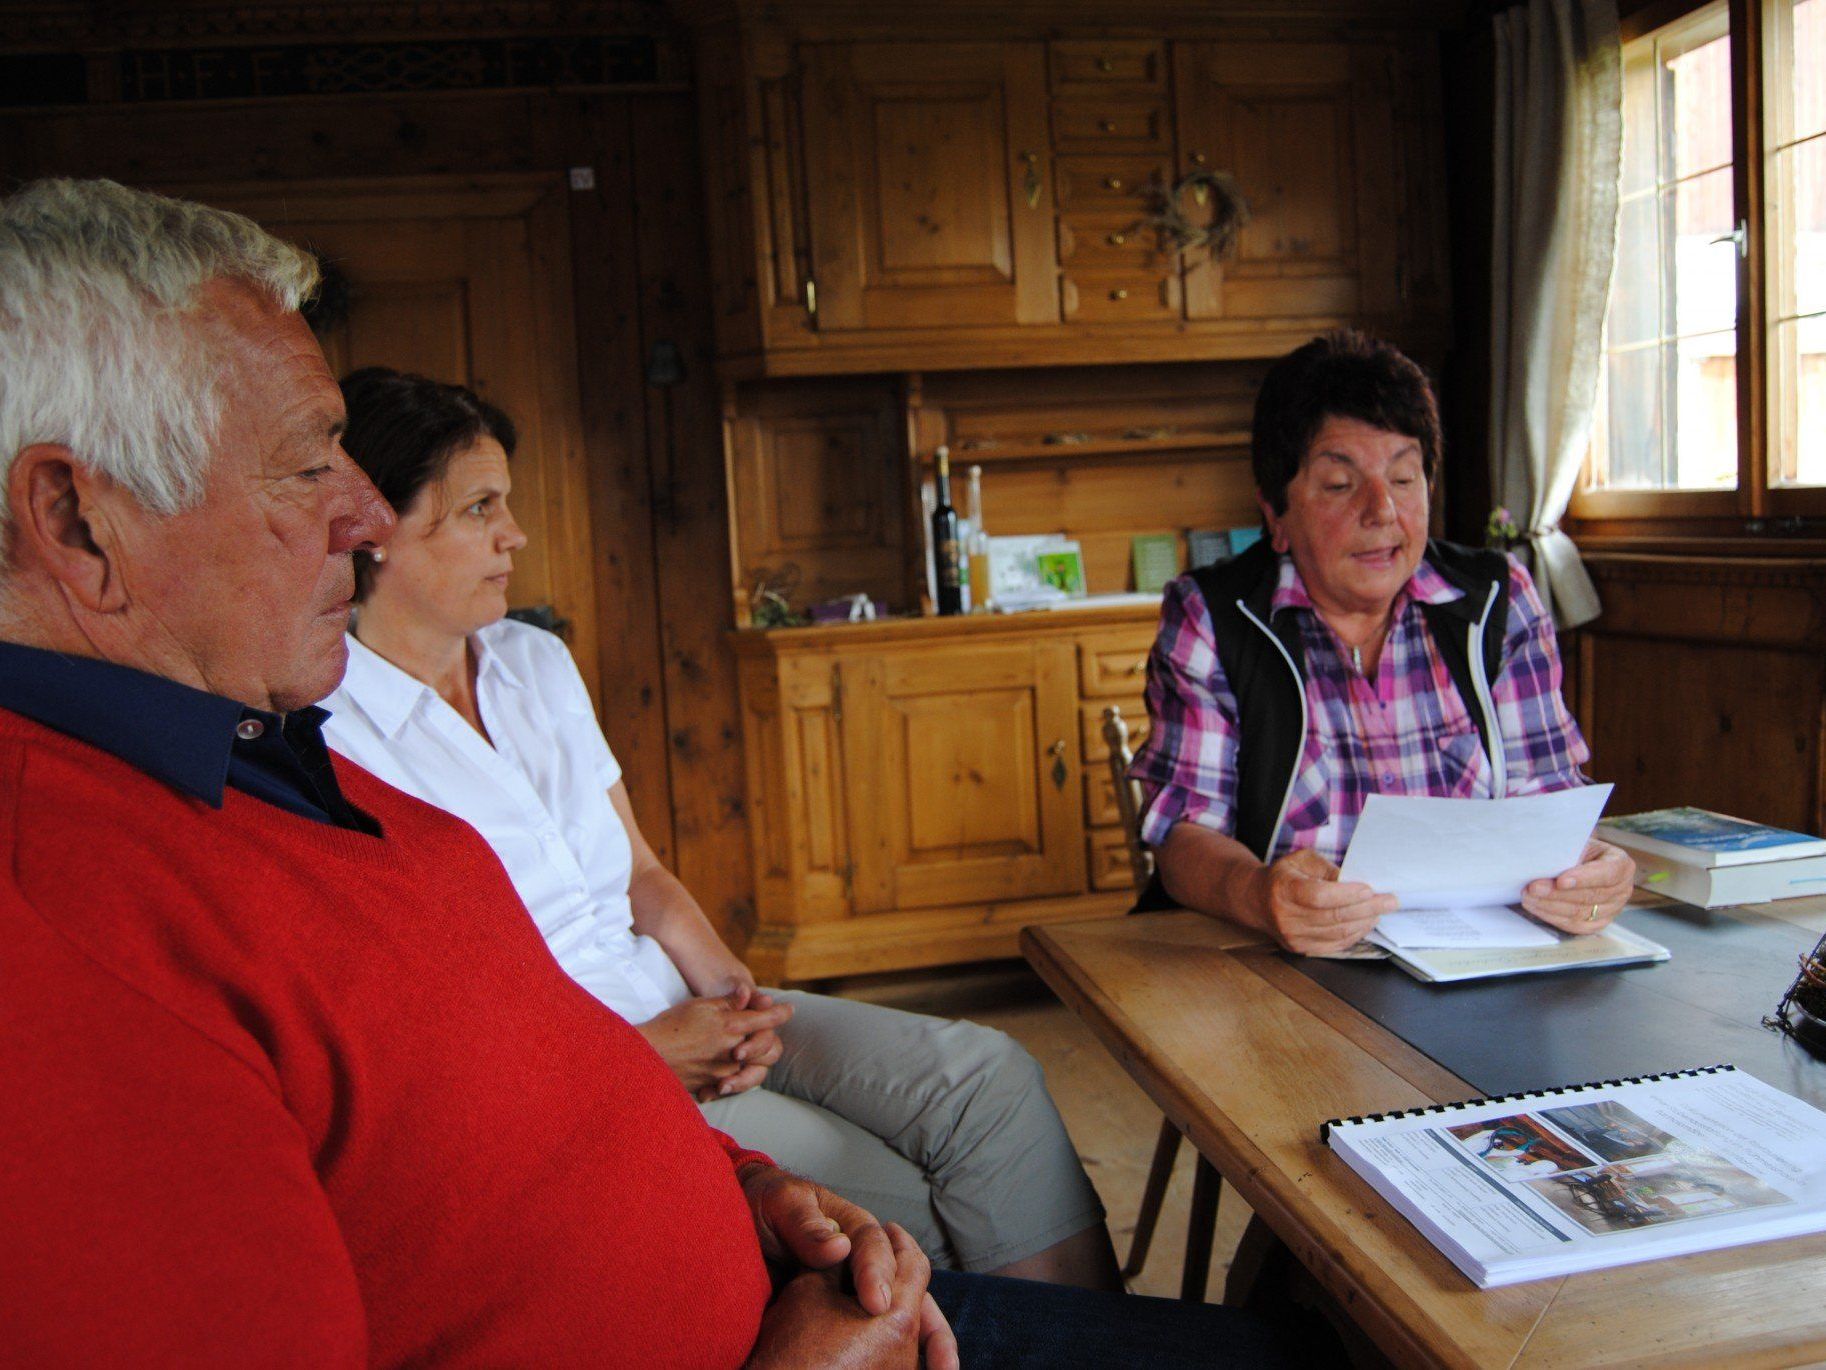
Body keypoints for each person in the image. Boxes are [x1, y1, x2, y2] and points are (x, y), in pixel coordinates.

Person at [0, 177, 1295, 1367]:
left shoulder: (253, 748)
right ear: (74, 520)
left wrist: (742, 1183)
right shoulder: (61, 923)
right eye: (303, 465)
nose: (358, 521)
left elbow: (515, 1057)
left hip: (753, 1236)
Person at [318, 365, 1119, 1288]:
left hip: (680, 1005)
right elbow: (429, 1022)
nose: (515, 534)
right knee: (916, 1205)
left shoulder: (530, 661)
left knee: (990, 1078)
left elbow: (642, 876)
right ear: (374, 532)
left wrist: (737, 998)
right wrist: (645, 1055)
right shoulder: (335, 734)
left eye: (509, 503)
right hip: (584, 1077)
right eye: (477, 509)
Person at [1130, 330, 1635, 956]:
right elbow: (1182, 835)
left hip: (1479, 961)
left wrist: (1590, 872)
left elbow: (1548, 803)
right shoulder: (1214, 616)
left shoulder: (1497, 601)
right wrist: (1261, 896)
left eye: (1403, 477)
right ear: (1277, 516)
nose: (1383, 512)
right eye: (1340, 485)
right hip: (1283, 969)